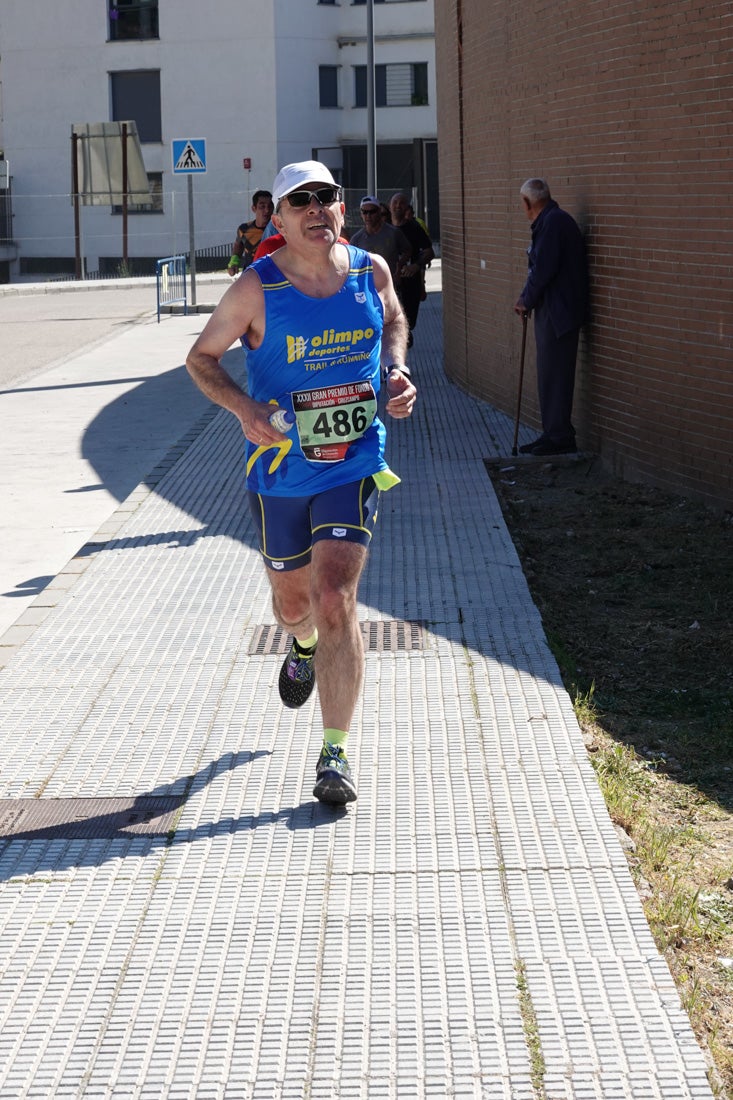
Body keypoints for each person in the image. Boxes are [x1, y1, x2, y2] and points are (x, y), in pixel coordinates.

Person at [186, 161, 416, 806]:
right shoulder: (255, 289)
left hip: (353, 461)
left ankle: (335, 751)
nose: (317, 209)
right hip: (282, 470)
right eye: (299, 201)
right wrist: (245, 409)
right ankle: (303, 646)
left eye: (327, 197)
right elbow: (200, 359)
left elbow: (394, 320)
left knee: (336, 594)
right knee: (295, 606)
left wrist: (395, 370)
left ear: (341, 207)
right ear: (278, 218)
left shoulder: (370, 271)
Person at [513, 178, 588, 455]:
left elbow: (543, 269)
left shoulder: (554, 223)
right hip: (553, 310)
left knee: (555, 374)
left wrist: (525, 300)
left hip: (559, 313)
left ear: (526, 203)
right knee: (548, 373)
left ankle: (559, 436)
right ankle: (552, 432)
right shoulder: (550, 221)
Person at [389, 192, 434, 347]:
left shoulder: (414, 228)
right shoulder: (384, 228)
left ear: (407, 207)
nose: (397, 206)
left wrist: (416, 266)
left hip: (410, 283)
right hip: (389, 283)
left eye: (401, 203)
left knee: (409, 322)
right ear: (390, 206)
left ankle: (405, 339)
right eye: (395, 202)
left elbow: (429, 252)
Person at [348, 196, 412, 284]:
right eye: (365, 212)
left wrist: (399, 265)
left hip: (390, 283)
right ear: (361, 214)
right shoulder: (356, 239)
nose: (368, 216)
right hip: (367, 285)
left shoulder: (394, 233)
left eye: (372, 212)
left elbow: (408, 251)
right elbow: (351, 264)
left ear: (379, 212)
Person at [227, 190, 274, 276]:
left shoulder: (279, 230)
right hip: (250, 277)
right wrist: (233, 262)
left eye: (270, 206)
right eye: (262, 206)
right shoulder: (244, 229)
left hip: (273, 277)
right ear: (254, 208)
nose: (267, 210)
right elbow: (238, 245)